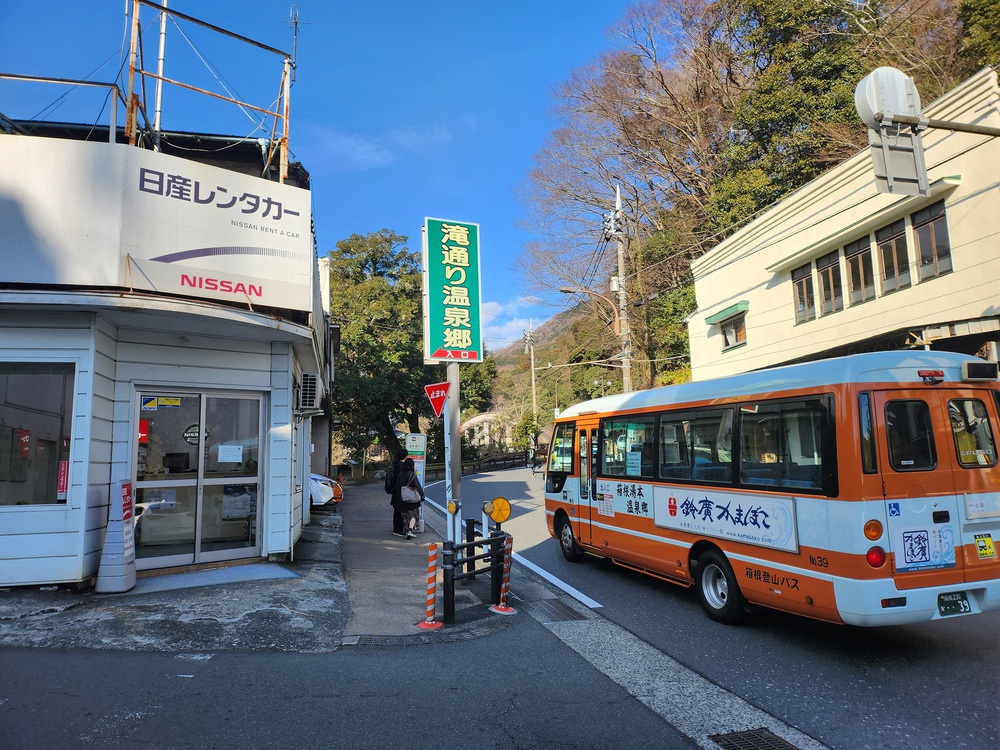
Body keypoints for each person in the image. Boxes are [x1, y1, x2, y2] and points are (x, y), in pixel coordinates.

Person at [394, 456, 425, 539]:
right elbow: (418, 486)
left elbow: (397, 486)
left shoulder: (400, 474)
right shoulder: (411, 475)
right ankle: (410, 530)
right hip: (411, 499)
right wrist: (422, 495)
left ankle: (406, 531)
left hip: (402, 498)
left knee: (405, 515)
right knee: (414, 515)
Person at [387, 449, 408, 537]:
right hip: (400, 491)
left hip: (395, 490)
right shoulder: (402, 467)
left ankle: (396, 528)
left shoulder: (395, 464)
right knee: (400, 510)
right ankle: (398, 529)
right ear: (406, 456)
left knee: (396, 510)